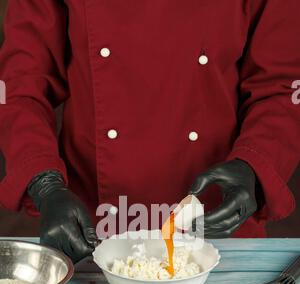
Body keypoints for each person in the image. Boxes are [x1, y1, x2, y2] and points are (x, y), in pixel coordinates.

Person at [0, 0, 299, 263]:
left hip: (219, 222)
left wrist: (254, 166)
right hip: (89, 230)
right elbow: (19, 86)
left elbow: (283, 87)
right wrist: (45, 183)